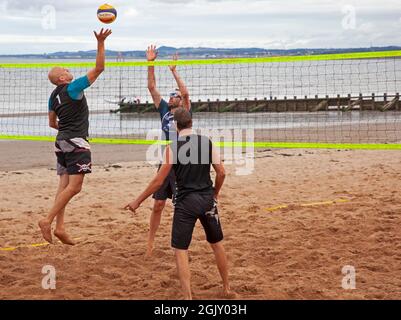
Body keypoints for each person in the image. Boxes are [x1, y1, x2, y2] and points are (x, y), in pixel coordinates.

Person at [125, 108, 235, 300]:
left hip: (186, 203)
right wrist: (215, 193)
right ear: (191, 122)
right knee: (217, 244)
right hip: (207, 200)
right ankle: (226, 288)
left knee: (180, 250)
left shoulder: (173, 147)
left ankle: (187, 298)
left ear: (176, 126)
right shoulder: (206, 142)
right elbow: (222, 173)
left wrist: (137, 201)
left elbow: (159, 181)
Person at [38, 28, 112, 245]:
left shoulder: (53, 96)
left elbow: (52, 123)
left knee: (64, 185)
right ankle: (47, 220)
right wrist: (100, 42)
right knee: (75, 186)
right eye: (67, 69)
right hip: (76, 140)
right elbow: (99, 68)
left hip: (61, 141)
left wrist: (67, 128)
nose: (70, 71)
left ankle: (60, 227)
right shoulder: (72, 87)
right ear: (62, 77)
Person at [146, 45, 192, 257]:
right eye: (171, 96)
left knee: (180, 204)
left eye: (176, 96)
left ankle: (179, 243)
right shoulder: (164, 109)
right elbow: (152, 87)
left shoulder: (184, 112)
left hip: (183, 160)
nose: (173, 97)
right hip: (166, 160)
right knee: (158, 204)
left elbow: (185, 92)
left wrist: (174, 72)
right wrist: (151, 63)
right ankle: (150, 243)